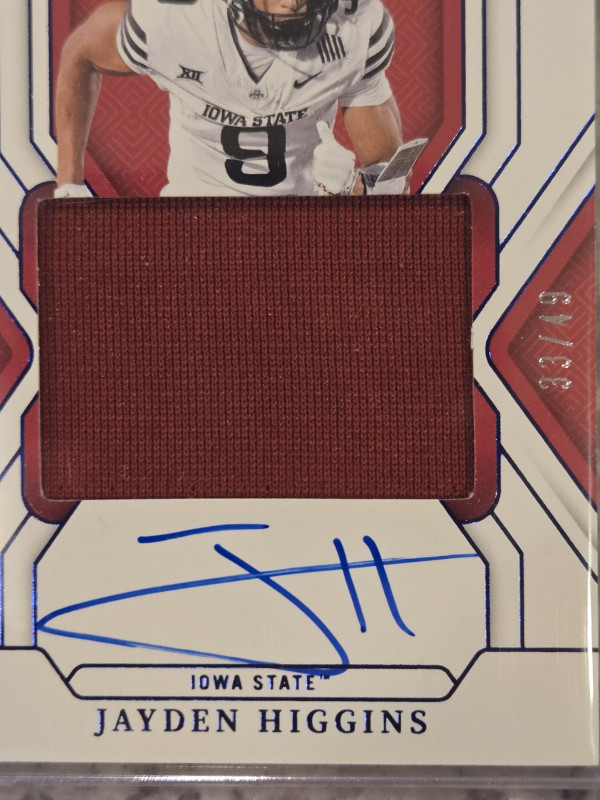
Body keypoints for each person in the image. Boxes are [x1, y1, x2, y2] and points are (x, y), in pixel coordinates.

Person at [55, 0, 407, 198]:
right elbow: (80, 55)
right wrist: (69, 184)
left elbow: (393, 181)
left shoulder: (355, 28)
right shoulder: (173, 18)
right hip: (192, 215)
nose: (294, 2)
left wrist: (351, 186)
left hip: (300, 226)